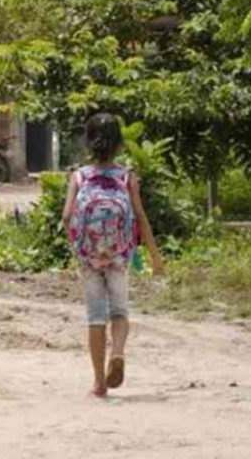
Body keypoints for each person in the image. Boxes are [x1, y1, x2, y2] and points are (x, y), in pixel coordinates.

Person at [61, 113, 164, 398]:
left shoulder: (79, 176)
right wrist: (155, 257)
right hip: (119, 254)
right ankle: (117, 352)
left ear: (88, 142)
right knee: (119, 311)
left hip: (89, 256)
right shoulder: (126, 176)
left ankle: (99, 383)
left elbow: (67, 216)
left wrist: (79, 245)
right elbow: (140, 217)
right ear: (119, 143)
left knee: (96, 317)